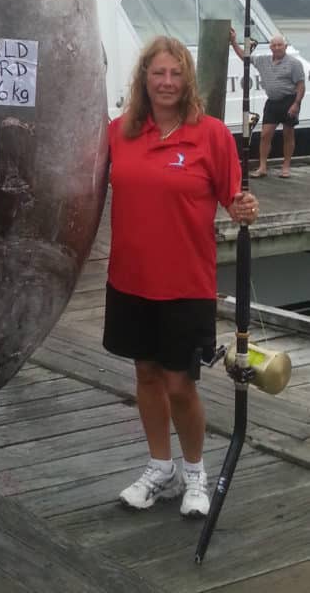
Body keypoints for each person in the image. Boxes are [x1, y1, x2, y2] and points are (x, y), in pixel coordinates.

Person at [103, 36, 259, 518]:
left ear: (187, 80)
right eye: (158, 73)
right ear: (143, 79)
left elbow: (235, 200)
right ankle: (160, 469)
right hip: (129, 280)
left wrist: (244, 207)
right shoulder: (117, 133)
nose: (166, 82)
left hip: (186, 283)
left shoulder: (210, 134)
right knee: (145, 376)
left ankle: (195, 475)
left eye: (175, 74)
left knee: (180, 384)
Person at [229, 29, 305, 178]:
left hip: (289, 100)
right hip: (272, 102)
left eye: (280, 45)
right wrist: (233, 41)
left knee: (288, 134)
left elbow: (301, 85)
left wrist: (296, 104)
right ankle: (262, 167)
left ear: (285, 46)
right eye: (274, 45)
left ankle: (286, 166)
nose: (277, 47)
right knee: (265, 135)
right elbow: (244, 57)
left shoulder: (294, 63)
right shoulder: (263, 60)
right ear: (270, 47)